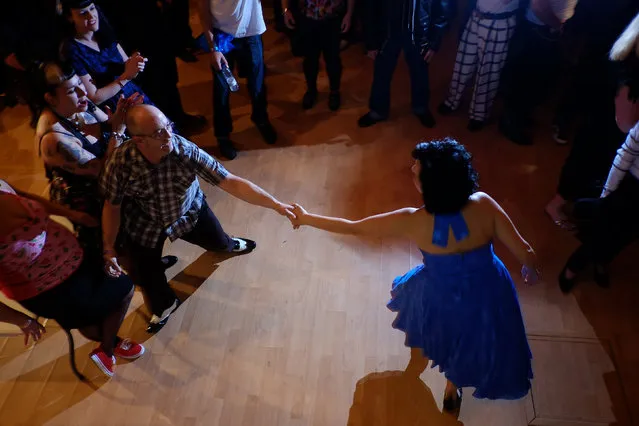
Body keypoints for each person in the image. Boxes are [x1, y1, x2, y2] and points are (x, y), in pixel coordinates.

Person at [290, 139, 536, 415]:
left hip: (441, 295)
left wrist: (307, 217)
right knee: (468, 341)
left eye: (416, 170)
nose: (411, 169)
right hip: (488, 292)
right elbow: (525, 251)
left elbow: (354, 229)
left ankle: (415, 371)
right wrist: (529, 268)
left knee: (435, 332)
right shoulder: (484, 204)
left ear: (431, 185)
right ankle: (451, 389)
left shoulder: (413, 220)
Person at [100, 105, 294, 332]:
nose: (168, 135)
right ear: (139, 140)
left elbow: (230, 181)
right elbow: (111, 206)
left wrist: (276, 204)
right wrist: (108, 248)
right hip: (146, 222)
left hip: (189, 211)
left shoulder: (186, 152)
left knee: (218, 242)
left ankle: (229, 245)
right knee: (146, 273)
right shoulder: (120, 163)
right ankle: (165, 305)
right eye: (157, 133)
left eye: (168, 127)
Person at [0, 179, 145, 378]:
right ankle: (108, 348)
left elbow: (22, 195)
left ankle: (107, 347)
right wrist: (22, 321)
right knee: (124, 289)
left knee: (104, 302)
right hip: (44, 288)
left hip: (73, 256)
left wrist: (72, 215)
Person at [559, 15, 639, 292]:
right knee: (605, 226)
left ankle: (601, 260)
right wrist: (607, 194)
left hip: (618, 148)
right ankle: (576, 265)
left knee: (625, 234)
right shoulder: (625, 74)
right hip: (618, 159)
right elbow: (626, 143)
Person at [198, 0, 278, 160]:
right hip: (220, 35)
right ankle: (222, 135)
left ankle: (261, 118)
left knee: (257, 84)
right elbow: (203, 12)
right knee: (222, 89)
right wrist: (213, 48)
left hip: (251, 32)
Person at [357, 0, 450, 129]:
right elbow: (369, 7)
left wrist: (434, 42)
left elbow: (442, 7)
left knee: (420, 72)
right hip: (387, 31)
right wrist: (370, 42)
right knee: (381, 73)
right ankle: (378, 110)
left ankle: (420, 107)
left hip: (419, 32)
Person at [498, 0, 579, 146]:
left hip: (544, 30)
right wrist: (559, 26)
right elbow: (538, 7)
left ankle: (520, 117)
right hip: (538, 31)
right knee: (526, 81)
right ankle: (510, 124)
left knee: (536, 81)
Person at [438, 0, 522, 132]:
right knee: (463, 61)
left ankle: (479, 115)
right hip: (476, 15)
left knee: (488, 70)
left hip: (499, 21)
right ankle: (452, 100)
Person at [61, 0, 152, 115]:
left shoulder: (104, 34)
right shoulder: (72, 50)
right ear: (70, 18)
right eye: (83, 13)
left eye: (92, 8)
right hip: (115, 109)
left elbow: (128, 67)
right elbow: (94, 97)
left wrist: (136, 63)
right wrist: (126, 77)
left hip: (136, 97)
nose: (91, 15)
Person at [283, 0, 355, 111]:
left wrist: (349, 14)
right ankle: (311, 90)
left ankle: (334, 91)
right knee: (310, 58)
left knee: (332, 59)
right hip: (307, 18)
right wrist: (286, 10)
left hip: (333, 18)